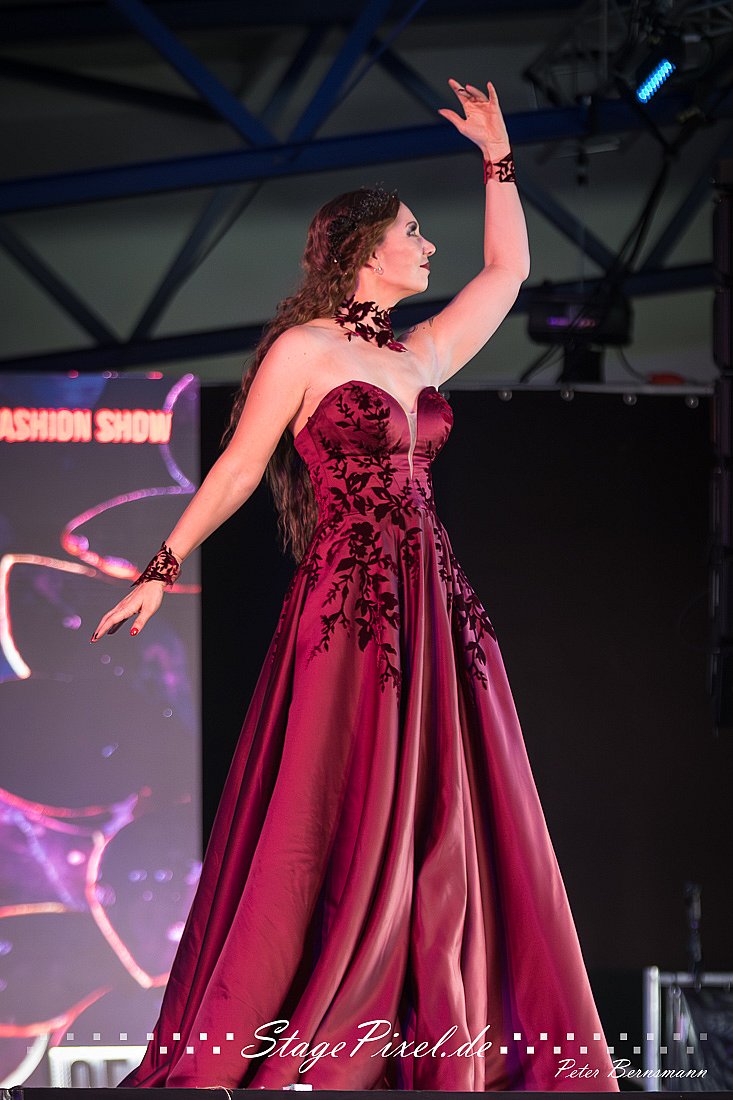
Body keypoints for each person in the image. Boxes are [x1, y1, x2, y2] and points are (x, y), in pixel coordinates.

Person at [95, 79, 619, 1092]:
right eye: (413, 233)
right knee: (329, 806)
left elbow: (508, 270)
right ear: (365, 249)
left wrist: (498, 156)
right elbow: (240, 468)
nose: (428, 247)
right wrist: (160, 568)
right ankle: (313, 1023)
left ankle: (429, 1023)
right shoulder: (305, 351)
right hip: (352, 606)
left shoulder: (421, 353)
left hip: (437, 604)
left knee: (448, 812)